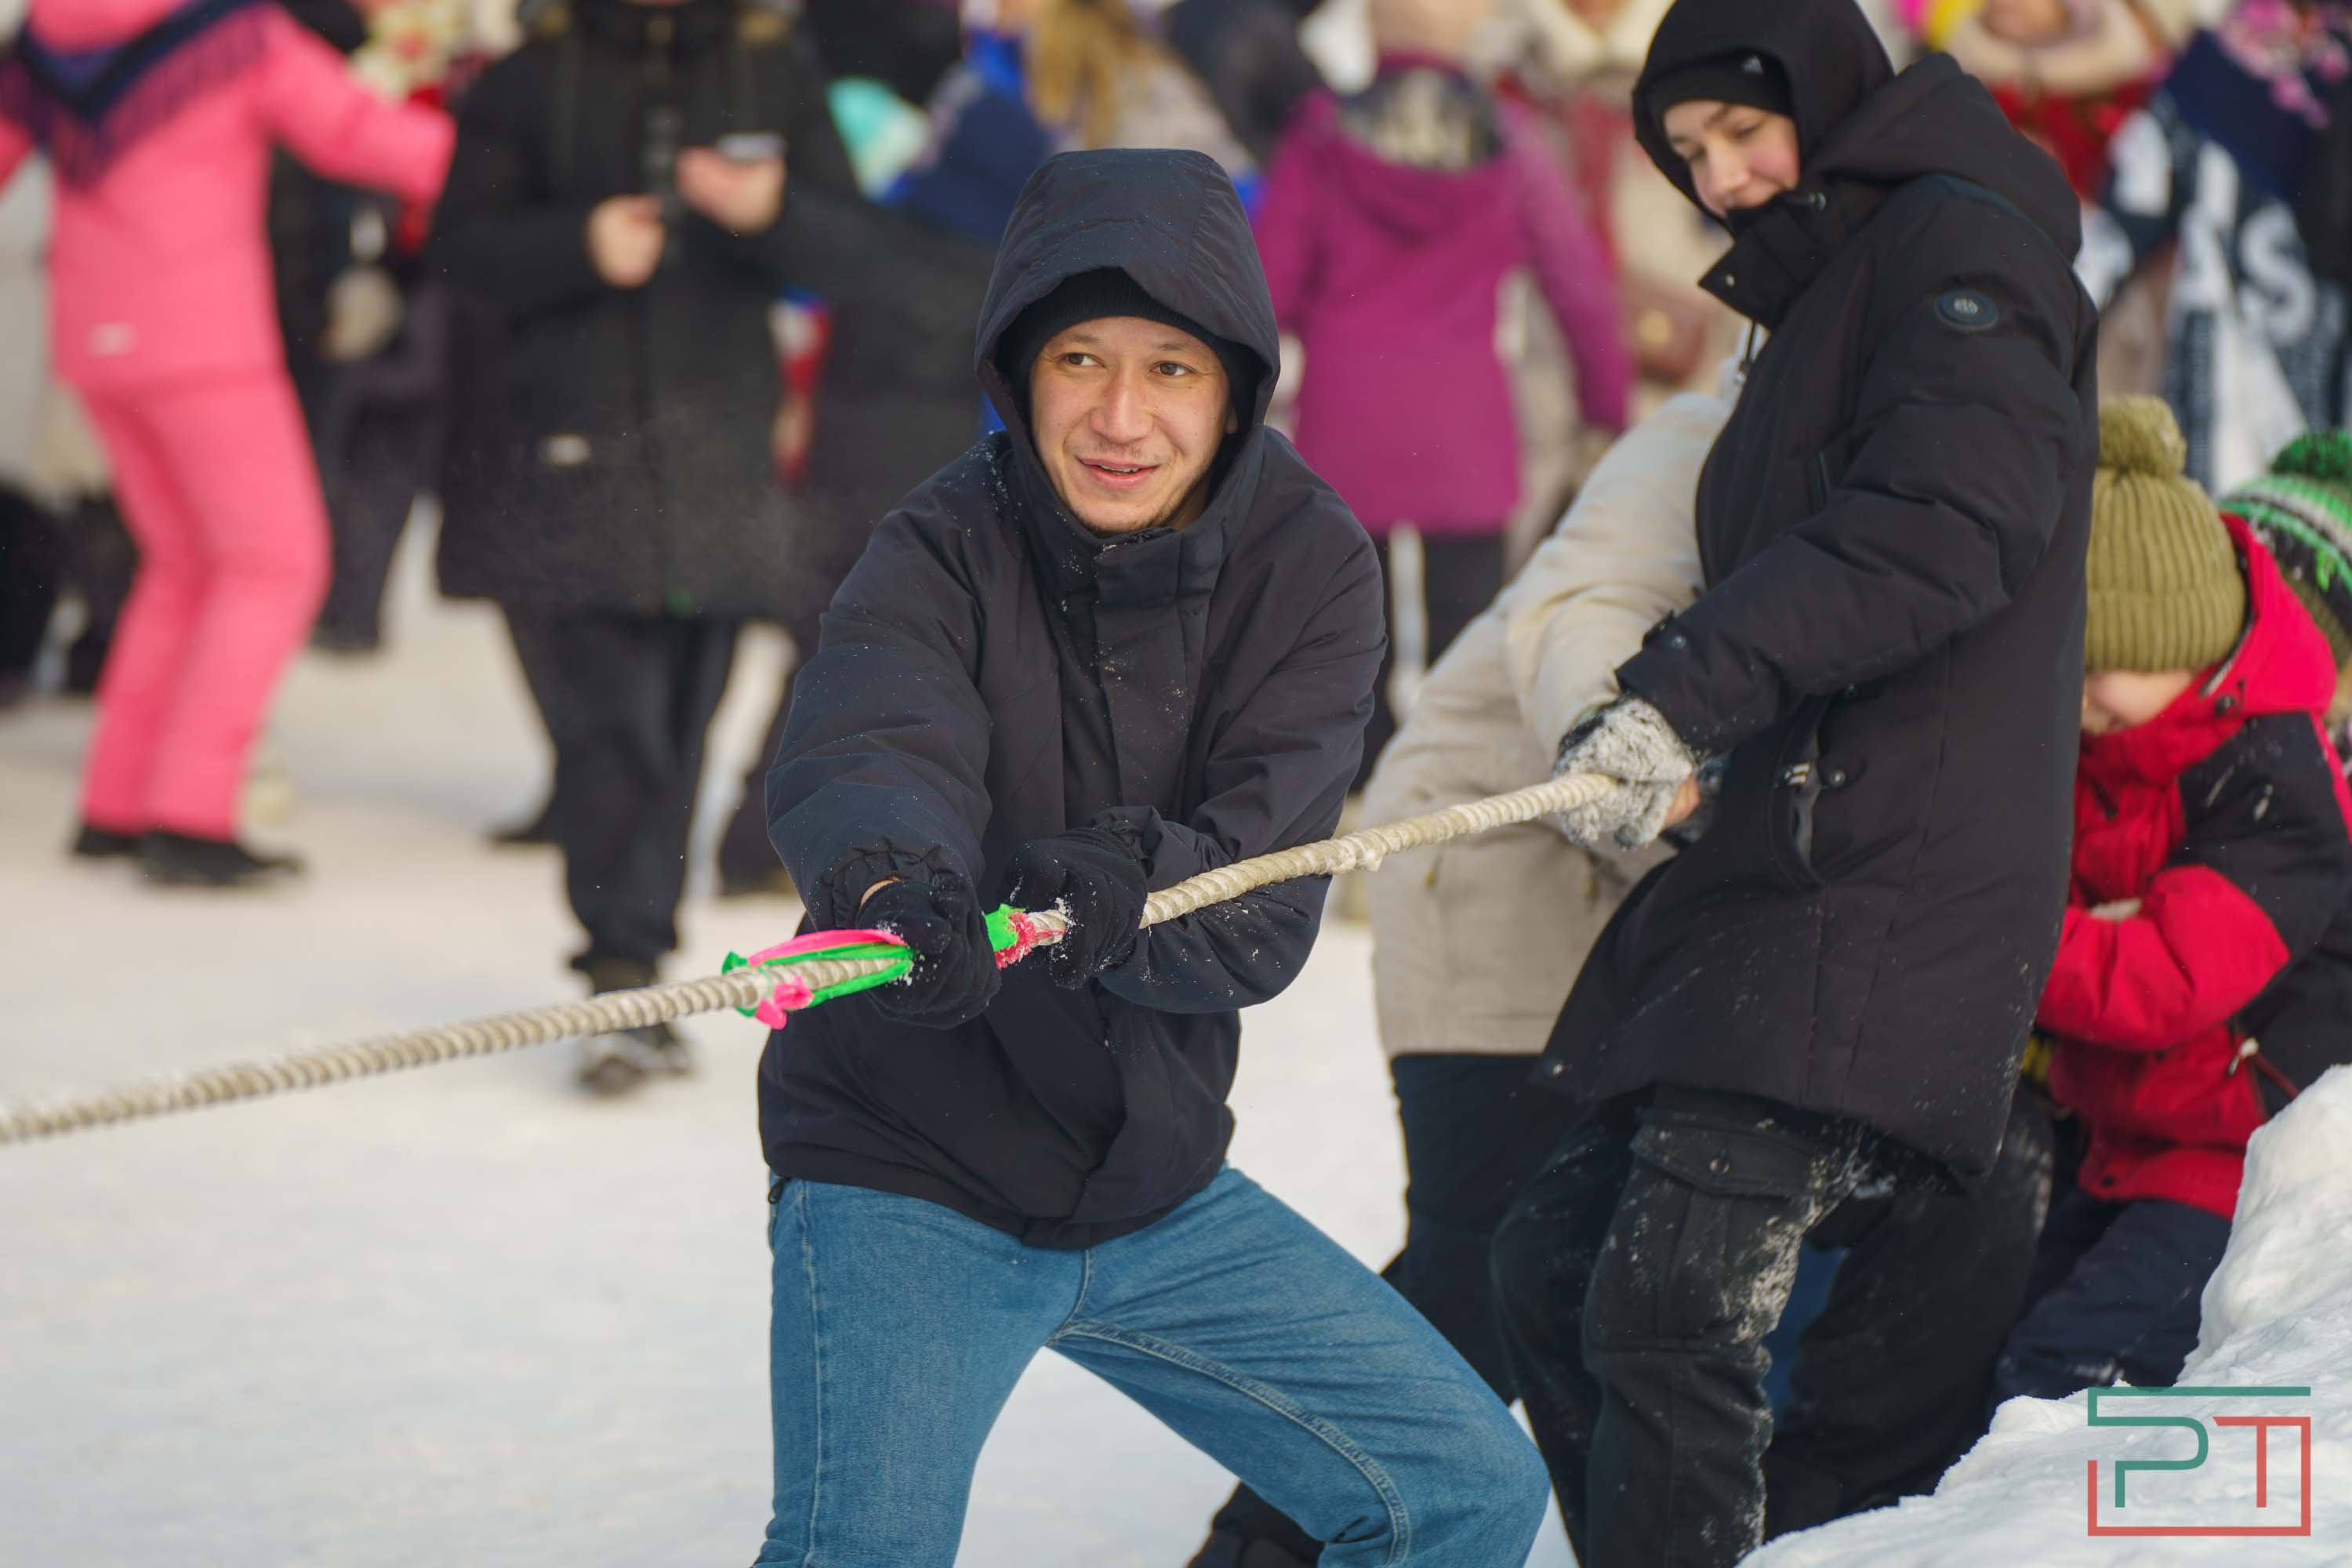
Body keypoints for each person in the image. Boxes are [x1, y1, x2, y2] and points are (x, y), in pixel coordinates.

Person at [755, 147, 1550, 1566]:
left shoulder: (1311, 559)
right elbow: (879, 737)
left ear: (1236, 383)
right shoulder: (937, 545)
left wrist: (1125, 893)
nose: (1121, 417)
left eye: (1171, 369)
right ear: (1019, 371)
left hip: (1149, 1174)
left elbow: (1263, 895)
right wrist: (894, 887)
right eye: (1080, 360)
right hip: (906, 1165)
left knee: (1464, 1488)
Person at [1485, 0, 2100, 1561]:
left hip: (1892, 865)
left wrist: (1679, 691)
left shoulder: (1961, 250)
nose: (1727, 178)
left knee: (1667, 1309)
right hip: (1787, 855)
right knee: (1551, 1273)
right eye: (1689, 155)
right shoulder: (1823, 293)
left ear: (1830, 98)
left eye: (1746, 132)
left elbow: (1939, 526)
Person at [1192, 366, 1726, 1568]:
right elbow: (1583, 609)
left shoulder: (1853, 412)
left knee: (1568, 1256)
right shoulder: (1713, 429)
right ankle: (1264, 1545)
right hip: (1500, 848)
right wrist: (1630, 753)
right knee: (1486, 1253)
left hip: (1623, 891)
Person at [430, 0, 887, 1090]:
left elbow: (853, 248)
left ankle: (638, 969)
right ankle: (623, 972)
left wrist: (771, 210)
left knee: (679, 726)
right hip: (572, 449)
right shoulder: (527, 80)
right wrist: (575, 245)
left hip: (719, 455)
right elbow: (456, 250)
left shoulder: (773, 71)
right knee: (612, 733)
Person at [0, 0, 452, 885]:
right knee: (274, 562)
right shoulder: (235, 35)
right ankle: (192, 812)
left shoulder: (46, 39)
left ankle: (118, 801)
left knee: (182, 563)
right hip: (202, 341)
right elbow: (357, 133)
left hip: (93, 340)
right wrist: (503, 168)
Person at [1991, 397, 2352, 1407]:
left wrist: (1988, 937)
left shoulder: (2272, 782)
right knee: (2018, 1359)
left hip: (2240, 1159)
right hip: (2128, 1134)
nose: (2082, 696)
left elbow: (2162, 978)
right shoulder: (2114, 749)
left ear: (2181, 640)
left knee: (2070, 1377)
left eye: (2101, 664)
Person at [1253, 0, 1632, 789]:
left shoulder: (1322, 137)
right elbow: (1578, 286)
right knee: (1470, 648)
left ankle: (1356, 814)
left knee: (1352, 647)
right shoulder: (1511, 140)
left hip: (1346, 430)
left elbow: (1267, 287)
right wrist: (1608, 407)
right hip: (1464, 434)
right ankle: (1451, 802)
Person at [2078, 0, 2352, 490]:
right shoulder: (2217, 69)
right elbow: (2108, 241)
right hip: (2259, 417)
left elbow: (2108, 239)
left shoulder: (2217, 67)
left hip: (2229, 424)